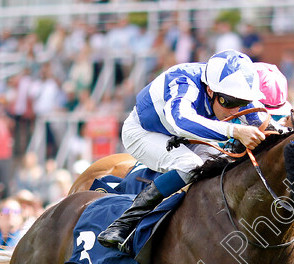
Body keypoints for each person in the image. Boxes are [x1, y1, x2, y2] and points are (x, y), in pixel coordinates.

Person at [97, 50, 268, 253]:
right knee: (190, 165)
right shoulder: (184, 82)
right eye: (228, 103)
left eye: (242, 103)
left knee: (225, 166)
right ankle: (123, 224)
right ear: (211, 91)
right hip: (144, 132)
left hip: (185, 136)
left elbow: (263, 123)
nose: (235, 111)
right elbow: (181, 121)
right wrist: (235, 130)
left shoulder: (229, 90)